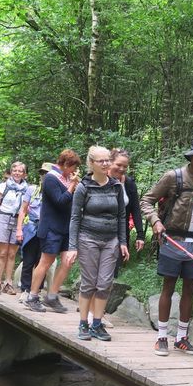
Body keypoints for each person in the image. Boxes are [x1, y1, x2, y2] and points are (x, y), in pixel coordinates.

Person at [140, 138, 193, 356]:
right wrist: (155, 221)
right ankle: (161, 337)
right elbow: (146, 200)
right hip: (172, 240)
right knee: (169, 286)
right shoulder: (173, 177)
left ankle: (182, 338)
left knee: (190, 289)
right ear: (191, 156)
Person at [64, 146, 128, 341]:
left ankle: (97, 324)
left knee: (105, 284)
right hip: (88, 239)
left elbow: (121, 216)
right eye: (101, 161)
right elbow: (75, 218)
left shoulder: (116, 186)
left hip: (111, 241)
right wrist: (72, 247)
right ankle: (84, 323)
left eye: (107, 160)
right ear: (91, 164)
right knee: (89, 283)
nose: (106, 164)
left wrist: (123, 241)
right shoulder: (83, 187)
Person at [24, 149, 81, 313]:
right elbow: (60, 201)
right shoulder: (51, 178)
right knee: (46, 262)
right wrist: (71, 187)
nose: (74, 171)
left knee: (67, 261)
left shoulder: (66, 179)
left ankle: (52, 296)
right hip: (51, 228)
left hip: (65, 228)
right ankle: (32, 296)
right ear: (65, 164)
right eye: (72, 167)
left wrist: (73, 186)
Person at [0, 162, 28, 295]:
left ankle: (8, 282)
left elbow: (25, 209)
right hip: (3, 218)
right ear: (11, 172)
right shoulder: (3, 186)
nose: (17, 173)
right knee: (2, 253)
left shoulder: (26, 189)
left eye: (20, 171)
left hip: (18, 220)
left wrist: (20, 228)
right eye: (15, 170)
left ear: (25, 174)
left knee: (12, 254)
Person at [17, 163, 52, 302]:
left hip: (47, 230)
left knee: (42, 262)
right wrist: (19, 229)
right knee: (28, 261)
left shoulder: (55, 192)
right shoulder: (32, 190)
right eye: (42, 174)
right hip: (31, 228)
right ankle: (25, 290)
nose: (44, 176)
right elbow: (23, 210)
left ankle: (36, 290)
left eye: (47, 174)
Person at [108, 148, 145, 268]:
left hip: (121, 233)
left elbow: (135, 209)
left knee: (114, 269)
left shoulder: (129, 183)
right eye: (118, 165)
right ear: (110, 162)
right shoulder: (101, 180)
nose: (122, 169)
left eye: (125, 166)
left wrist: (140, 235)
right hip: (100, 232)